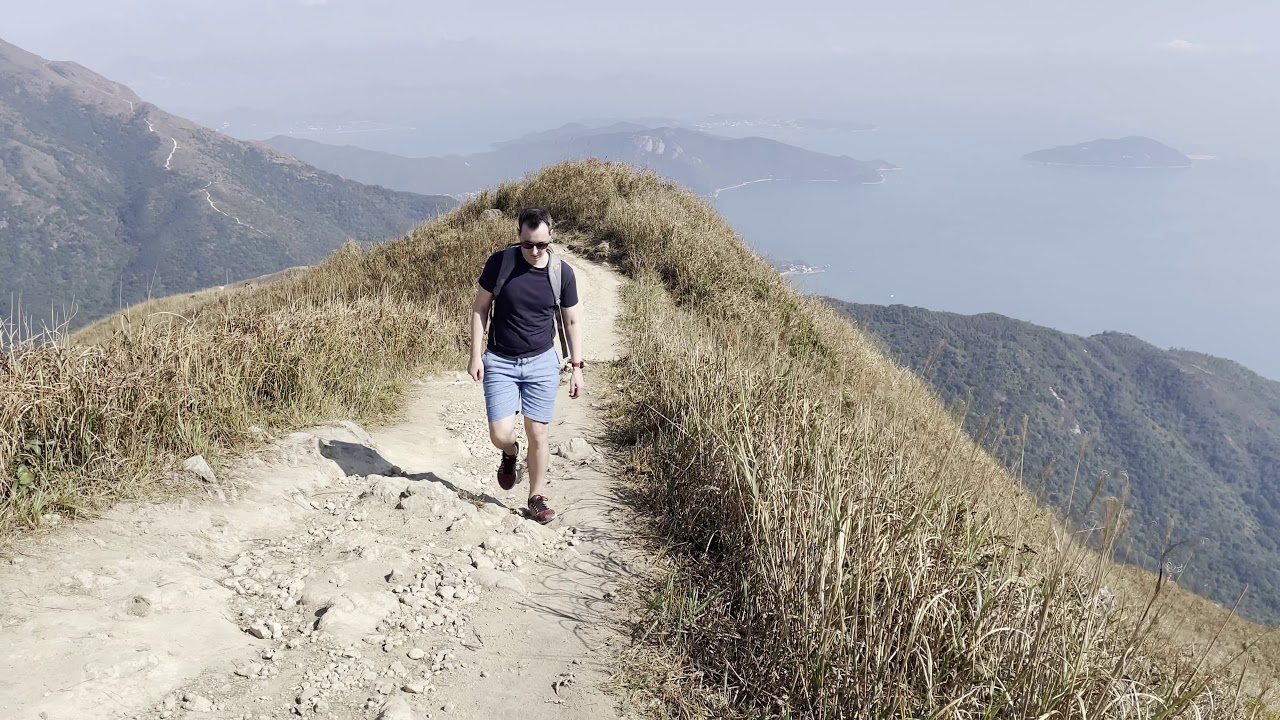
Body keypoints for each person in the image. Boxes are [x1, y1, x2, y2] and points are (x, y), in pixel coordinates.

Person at [468, 207, 585, 524]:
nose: (534, 251)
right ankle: (509, 453)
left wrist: (576, 366)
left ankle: (536, 496)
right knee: (500, 433)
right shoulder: (500, 263)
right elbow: (480, 308)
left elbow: (571, 320)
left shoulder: (563, 273)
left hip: (542, 362)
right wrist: (475, 354)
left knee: (539, 433)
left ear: (551, 239)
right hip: (501, 361)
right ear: (518, 236)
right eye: (527, 244)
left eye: (541, 245)